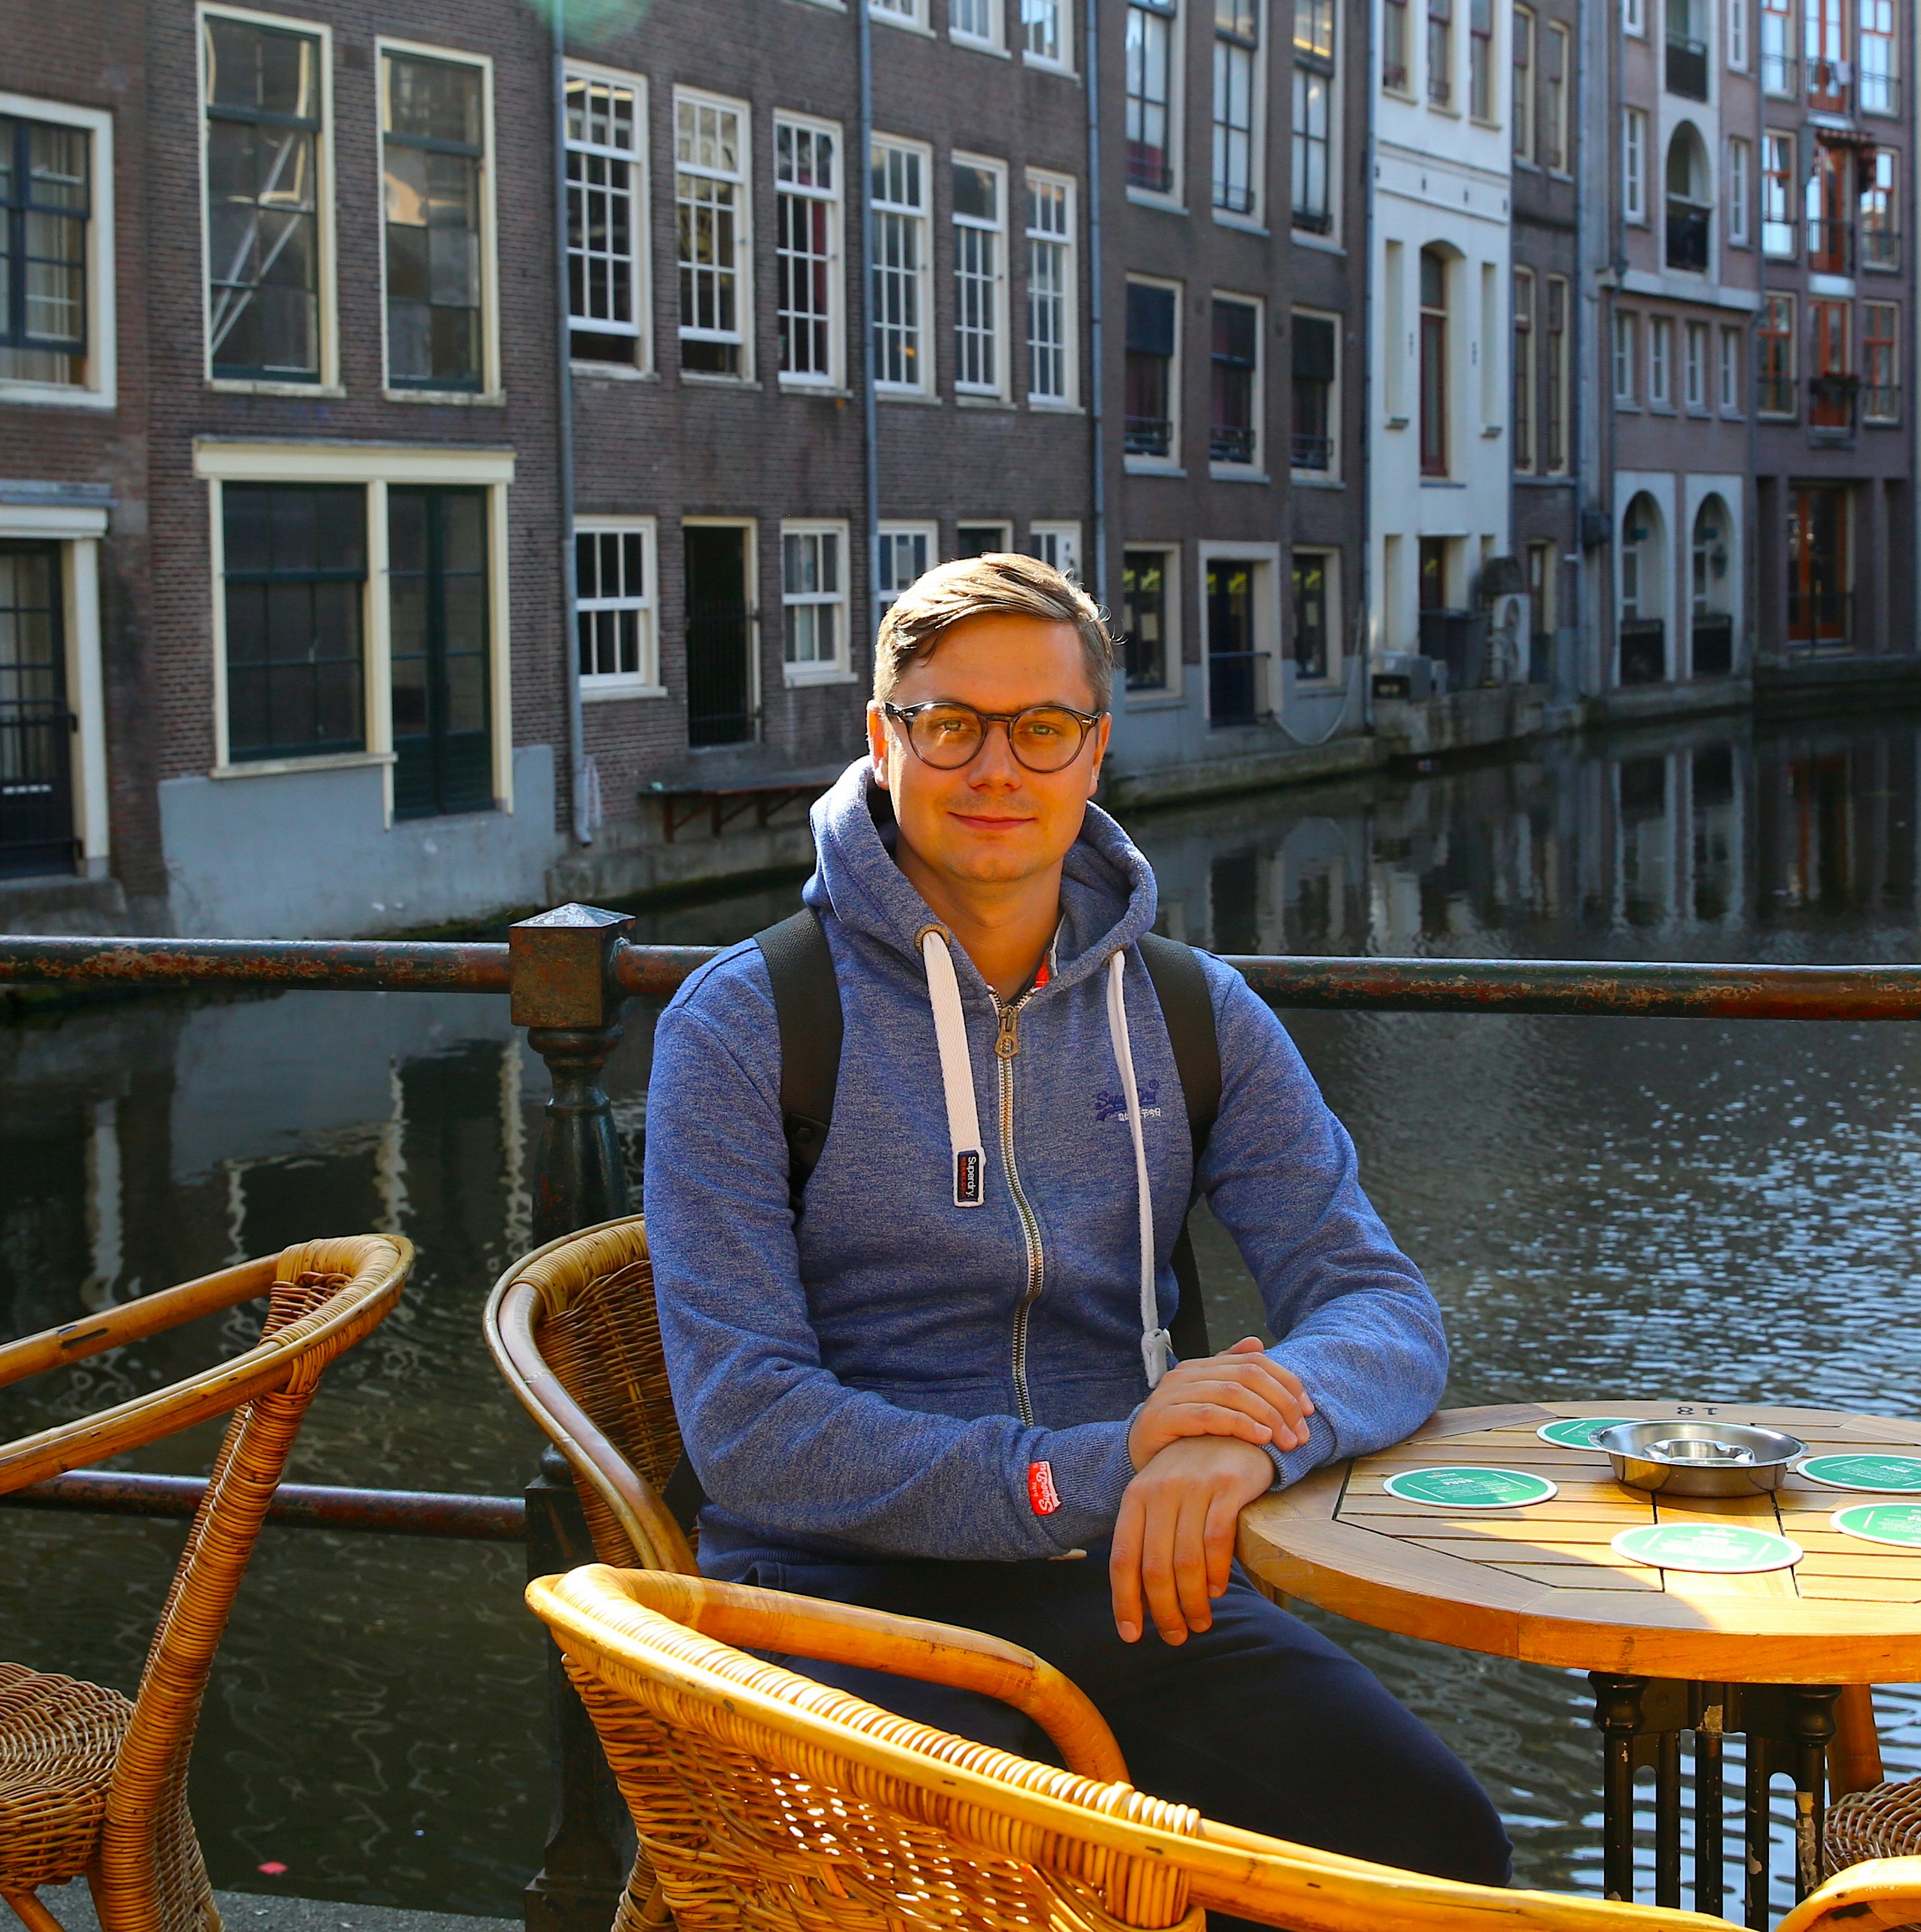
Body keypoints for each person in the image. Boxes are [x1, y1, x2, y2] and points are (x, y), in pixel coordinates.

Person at [645, 554, 1509, 1906]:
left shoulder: (1193, 1013)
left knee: (1434, 1848)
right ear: (884, 738)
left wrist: (1241, 1439)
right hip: (836, 1601)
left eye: (1042, 726)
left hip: (1135, 1579)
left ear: (1095, 750)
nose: (998, 767)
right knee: (1026, 1886)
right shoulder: (746, 1023)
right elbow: (749, 1428)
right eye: (951, 724)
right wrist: (1098, 1469)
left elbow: (1381, 1307)